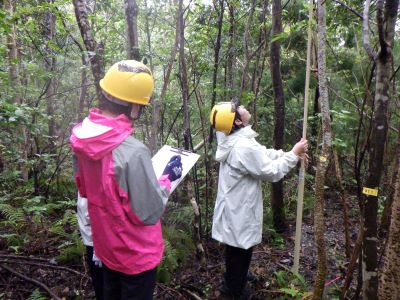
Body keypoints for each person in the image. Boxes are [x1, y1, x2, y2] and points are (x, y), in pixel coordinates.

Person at [70, 60, 183, 300]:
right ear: (134, 107)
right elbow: (148, 213)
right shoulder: (133, 151)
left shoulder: (80, 136)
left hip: (106, 246)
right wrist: (165, 180)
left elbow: (85, 188)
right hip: (135, 253)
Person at [209, 101, 308, 300]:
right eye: (238, 107)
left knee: (236, 246)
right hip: (239, 208)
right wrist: (293, 155)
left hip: (235, 206)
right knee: (240, 249)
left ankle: (235, 279)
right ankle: (234, 291)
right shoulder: (242, 146)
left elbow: (261, 154)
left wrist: (287, 154)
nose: (244, 106)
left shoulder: (231, 136)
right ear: (237, 120)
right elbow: (271, 171)